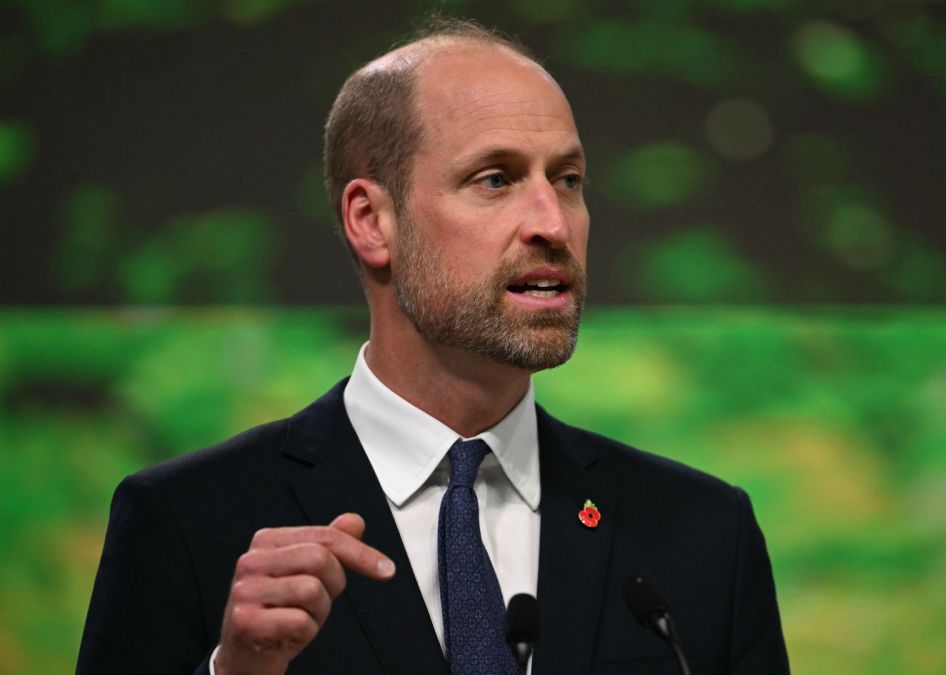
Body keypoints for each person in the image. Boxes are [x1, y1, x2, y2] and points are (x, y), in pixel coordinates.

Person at [78, 18, 789, 675]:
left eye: (568, 180)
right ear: (371, 221)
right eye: (495, 179)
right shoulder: (185, 521)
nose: (553, 223)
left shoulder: (705, 535)